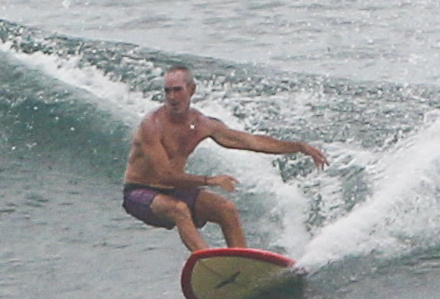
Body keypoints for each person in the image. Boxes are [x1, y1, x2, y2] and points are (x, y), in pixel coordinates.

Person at [122, 65, 328, 251]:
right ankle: (208, 264)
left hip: (174, 190)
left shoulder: (203, 124)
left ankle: (242, 264)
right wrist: (209, 181)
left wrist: (299, 147)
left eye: (178, 90)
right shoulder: (152, 124)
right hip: (140, 192)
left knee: (225, 209)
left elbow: (251, 142)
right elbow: (165, 175)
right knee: (179, 209)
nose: (172, 97)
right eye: (168, 91)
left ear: (191, 90)